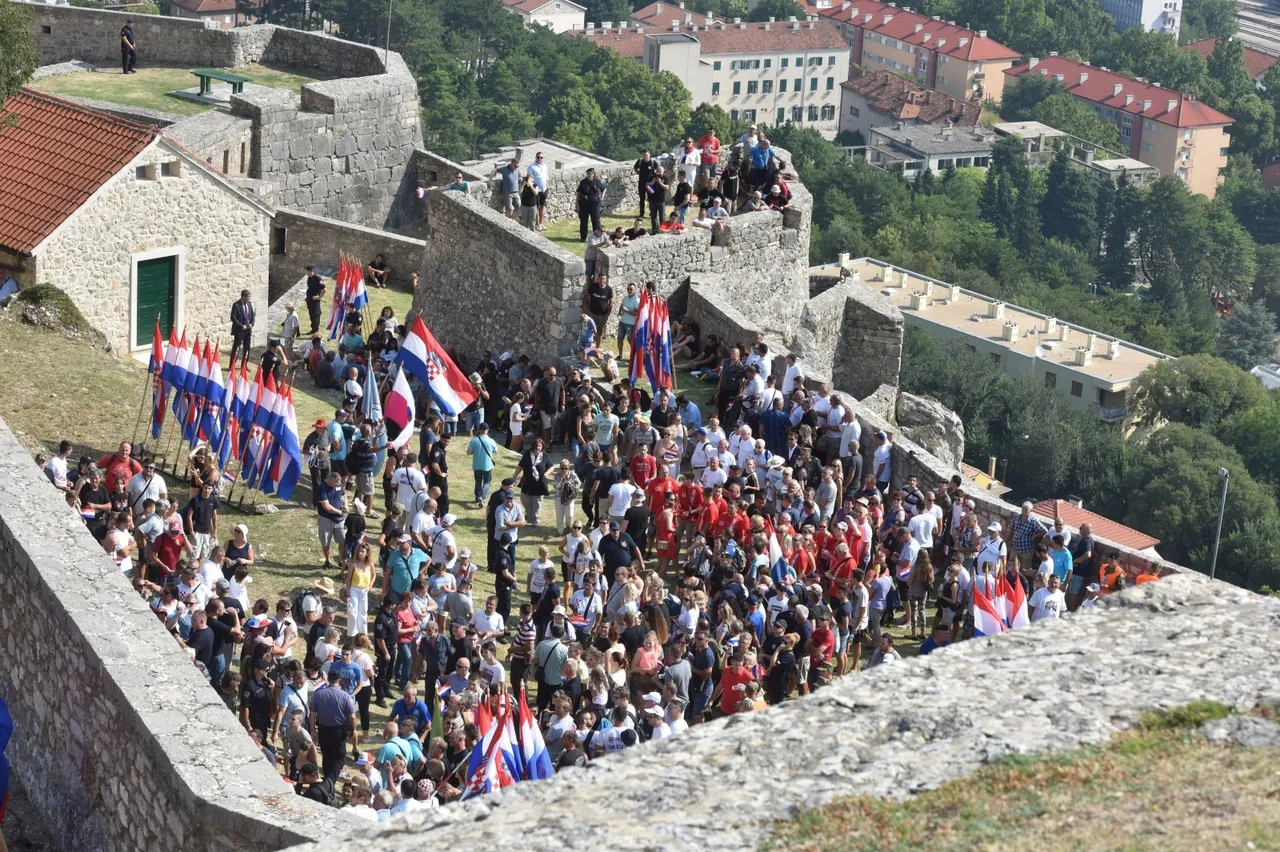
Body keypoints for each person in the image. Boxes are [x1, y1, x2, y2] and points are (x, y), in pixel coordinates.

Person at [576, 167, 607, 241]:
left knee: (596, 221)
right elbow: (578, 193)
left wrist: (602, 197)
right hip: (584, 205)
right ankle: (583, 238)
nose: (589, 175)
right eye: (588, 174)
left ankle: (596, 237)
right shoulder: (583, 182)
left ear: (593, 174)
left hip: (595, 205)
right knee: (583, 222)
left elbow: (604, 188)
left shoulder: (597, 181)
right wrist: (577, 204)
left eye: (590, 174)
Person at [228, 289, 255, 369]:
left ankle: (244, 365)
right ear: (243, 297)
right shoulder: (236, 305)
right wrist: (241, 326)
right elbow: (233, 317)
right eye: (248, 297)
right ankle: (232, 365)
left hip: (248, 330)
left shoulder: (249, 304)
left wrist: (251, 324)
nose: (249, 299)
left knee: (247, 348)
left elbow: (252, 315)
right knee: (236, 347)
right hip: (240, 330)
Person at [528, 151, 550, 230]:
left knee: (542, 207)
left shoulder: (544, 166)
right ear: (536, 158)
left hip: (544, 189)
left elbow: (546, 178)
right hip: (537, 190)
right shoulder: (532, 167)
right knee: (537, 207)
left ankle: (541, 223)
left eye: (541, 157)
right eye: (538, 157)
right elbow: (530, 179)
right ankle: (537, 224)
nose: (540, 159)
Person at [304, 265, 325, 335]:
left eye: (306, 270)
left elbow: (324, 289)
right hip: (309, 299)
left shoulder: (317, 279)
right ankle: (313, 329)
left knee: (316, 314)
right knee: (311, 314)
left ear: (310, 271)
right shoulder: (309, 278)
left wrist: (319, 297)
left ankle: (316, 331)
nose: (305, 272)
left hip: (315, 300)